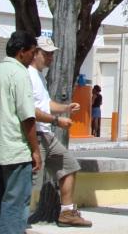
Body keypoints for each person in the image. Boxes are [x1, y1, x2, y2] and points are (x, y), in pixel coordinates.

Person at [0, 30, 42, 234]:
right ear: (22, 52)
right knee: (14, 210)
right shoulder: (20, 74)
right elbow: (27, 117)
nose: (34, 57)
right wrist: (35, 150)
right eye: (33, 52)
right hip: (15, 152)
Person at [28, 36, 92, 228]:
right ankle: (14, 221)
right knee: (28, 180)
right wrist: (57, 120)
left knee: (69, 166)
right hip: (36, 135)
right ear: (34, 53)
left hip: (47, 135)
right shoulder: (27, 75)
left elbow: (45, 104)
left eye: (51, 54)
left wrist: (65, 108)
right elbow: (30, 110)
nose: (50, 58)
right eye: (46, 54)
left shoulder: (39, 76)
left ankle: (67, 213)